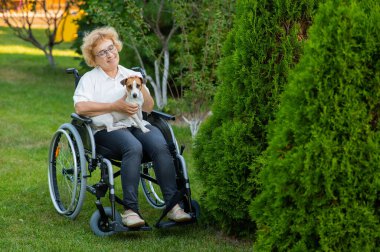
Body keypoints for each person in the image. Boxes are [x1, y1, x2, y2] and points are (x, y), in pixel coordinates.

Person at [73, 26, 191, 228]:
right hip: (106, 130)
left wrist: (141, 88)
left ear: (117, 47)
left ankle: (173, 207)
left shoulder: (132, 75)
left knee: (160, 145)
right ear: (94, 58)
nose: (109, 54)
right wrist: (113, 106)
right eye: (102, 52)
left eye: (111, 48)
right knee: (133, 147)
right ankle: (131, 211)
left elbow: (149, 107)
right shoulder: (90, 79)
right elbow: (80, 107)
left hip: (136, 123)